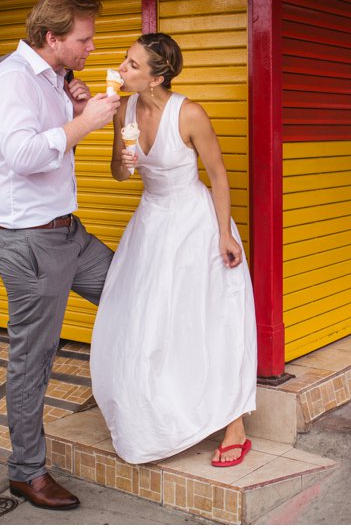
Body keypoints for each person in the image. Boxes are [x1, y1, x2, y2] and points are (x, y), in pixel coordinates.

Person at [0, 0, 120, 509]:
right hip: (30, 241)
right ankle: (26, 472)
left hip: (67, 233)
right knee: (33, 360)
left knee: (132, 292)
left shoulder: (51, 79)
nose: (91, 47)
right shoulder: (13, 79)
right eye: (84, 39)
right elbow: (22, 155)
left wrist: (73, 105)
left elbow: (51, 142)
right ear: (51, 37)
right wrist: (83, 122)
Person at [90, 33, 257, 467]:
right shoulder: (123, 109)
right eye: (124, 61)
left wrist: (224, 234)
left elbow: (218, 175)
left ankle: (234, 425)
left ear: (155, 77)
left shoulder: (190, 113)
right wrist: (123, 162)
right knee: (146, 321)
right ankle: (157, 414)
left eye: (131, 65)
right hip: (151, 224)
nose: (121, 69)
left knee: (209, 318)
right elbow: (119, 173)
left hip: (194, 223)